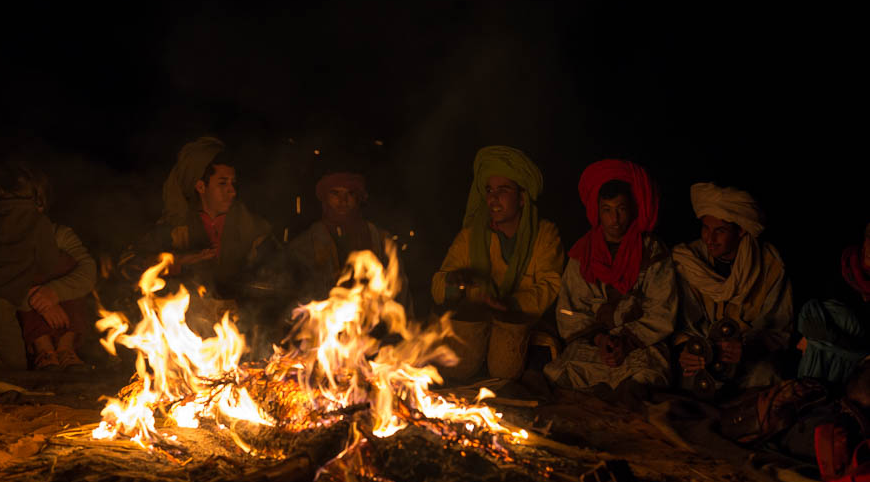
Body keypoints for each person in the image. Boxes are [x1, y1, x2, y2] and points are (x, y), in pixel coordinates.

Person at [544, 159, 677, 399]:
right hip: (595, 344)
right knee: (560, 374)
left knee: (645, 378)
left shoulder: (654, 252)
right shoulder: (582, 254)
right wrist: (600, 338)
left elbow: (662, 312)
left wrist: (624, 342)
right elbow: (569, 311)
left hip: (639, 344)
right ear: (597, 211)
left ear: (632, 209)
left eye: (621, 209)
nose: (615, 219)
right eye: (607, 210)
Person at [431, 146, 563, 381]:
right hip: (476, 323)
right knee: (458, 367)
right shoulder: (471, 236)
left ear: (522, 198)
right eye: (489, 190)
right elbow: (439, 282)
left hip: (519, 323)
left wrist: (509, 304)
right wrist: (453, 283)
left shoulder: (545, 234)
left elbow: (551, 285)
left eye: (503, 190)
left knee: (505, 369)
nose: (493, 198)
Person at [0, 162, 95, 370]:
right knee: (13, 367)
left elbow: (87, 272)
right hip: (10, 308)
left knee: (65, 265)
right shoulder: (16, 232)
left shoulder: (58, 235)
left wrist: (52, 293)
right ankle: (42, 352)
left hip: (16, 305)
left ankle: (65, 350)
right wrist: (37, 299)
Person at [673, 182, 793, 393]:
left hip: (751, 356)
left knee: (766, 377)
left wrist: (746, 348)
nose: (710, 239)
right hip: (704, 357)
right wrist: (688, 350)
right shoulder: (689, 261)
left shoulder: (769, 263)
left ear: (741, 231)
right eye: (705, 228)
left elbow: (778, 327)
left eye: (720, 231)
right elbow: (685, 323)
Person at [127, 137, 274, 297]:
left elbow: (278, 270)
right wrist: (177, 261)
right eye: (223, 183)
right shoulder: (176, 229)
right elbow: (128, 264)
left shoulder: (252, 227)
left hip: (239, 319)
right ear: (201, 186)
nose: (232, 191)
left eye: (233, 183)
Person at [287, 171, 412, 313]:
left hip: (373, 329)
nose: (343, 200)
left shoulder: (382, 241)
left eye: (350, 193)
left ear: (358, 198)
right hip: (324, 328)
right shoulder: (305, 244)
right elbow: (293, 296)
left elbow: (401, 292)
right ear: (325, 198)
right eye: (335, 193)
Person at [795, 221, 870, 384]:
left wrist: (833, 340)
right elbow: (809, 307)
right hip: (816, 343)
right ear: (864, 241)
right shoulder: (841, 264)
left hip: (856, 357)